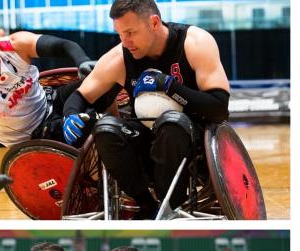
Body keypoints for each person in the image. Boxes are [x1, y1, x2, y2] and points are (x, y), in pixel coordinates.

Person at [62, 0, 230, 218]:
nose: (125, 41)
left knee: (171, 123)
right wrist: (70, 115)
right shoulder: (120, 56)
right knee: (105, 129)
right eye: (120, 34)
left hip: (192, 140)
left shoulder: (195, 42)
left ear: (153, 22)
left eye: (130, 32)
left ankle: (170, 205)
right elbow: (80, 95)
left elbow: (219, 109)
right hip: (146, 138)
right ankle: (147, 206)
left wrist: (170, 87)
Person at [0, 9, 97, 193]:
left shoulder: (15, 44)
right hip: (35, 138)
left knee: (101, 79)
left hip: (51, 101)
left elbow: (65, 45)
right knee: (93, 126)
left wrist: (82, 60)